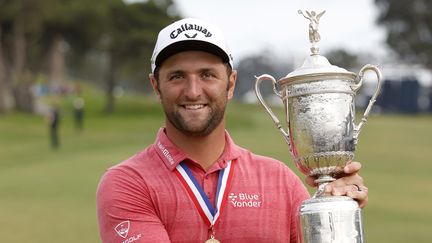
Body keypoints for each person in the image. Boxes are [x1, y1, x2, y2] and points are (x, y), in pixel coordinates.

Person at [96, 18, 368, 243]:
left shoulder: (280, 182)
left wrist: (334, 214)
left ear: (231, 83)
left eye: (207, 75)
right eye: (177, 76)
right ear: (156, 86)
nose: (193, 91)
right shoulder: (127, 183)